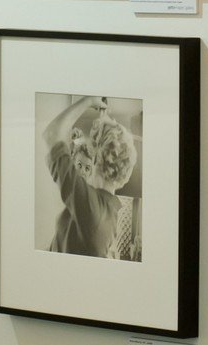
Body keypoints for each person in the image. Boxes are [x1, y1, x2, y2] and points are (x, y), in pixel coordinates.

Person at [43, 95, 137, 258]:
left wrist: (88, 101)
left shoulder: (92, 209)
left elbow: (52, 134)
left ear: (97, 159)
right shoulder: (109, 209)